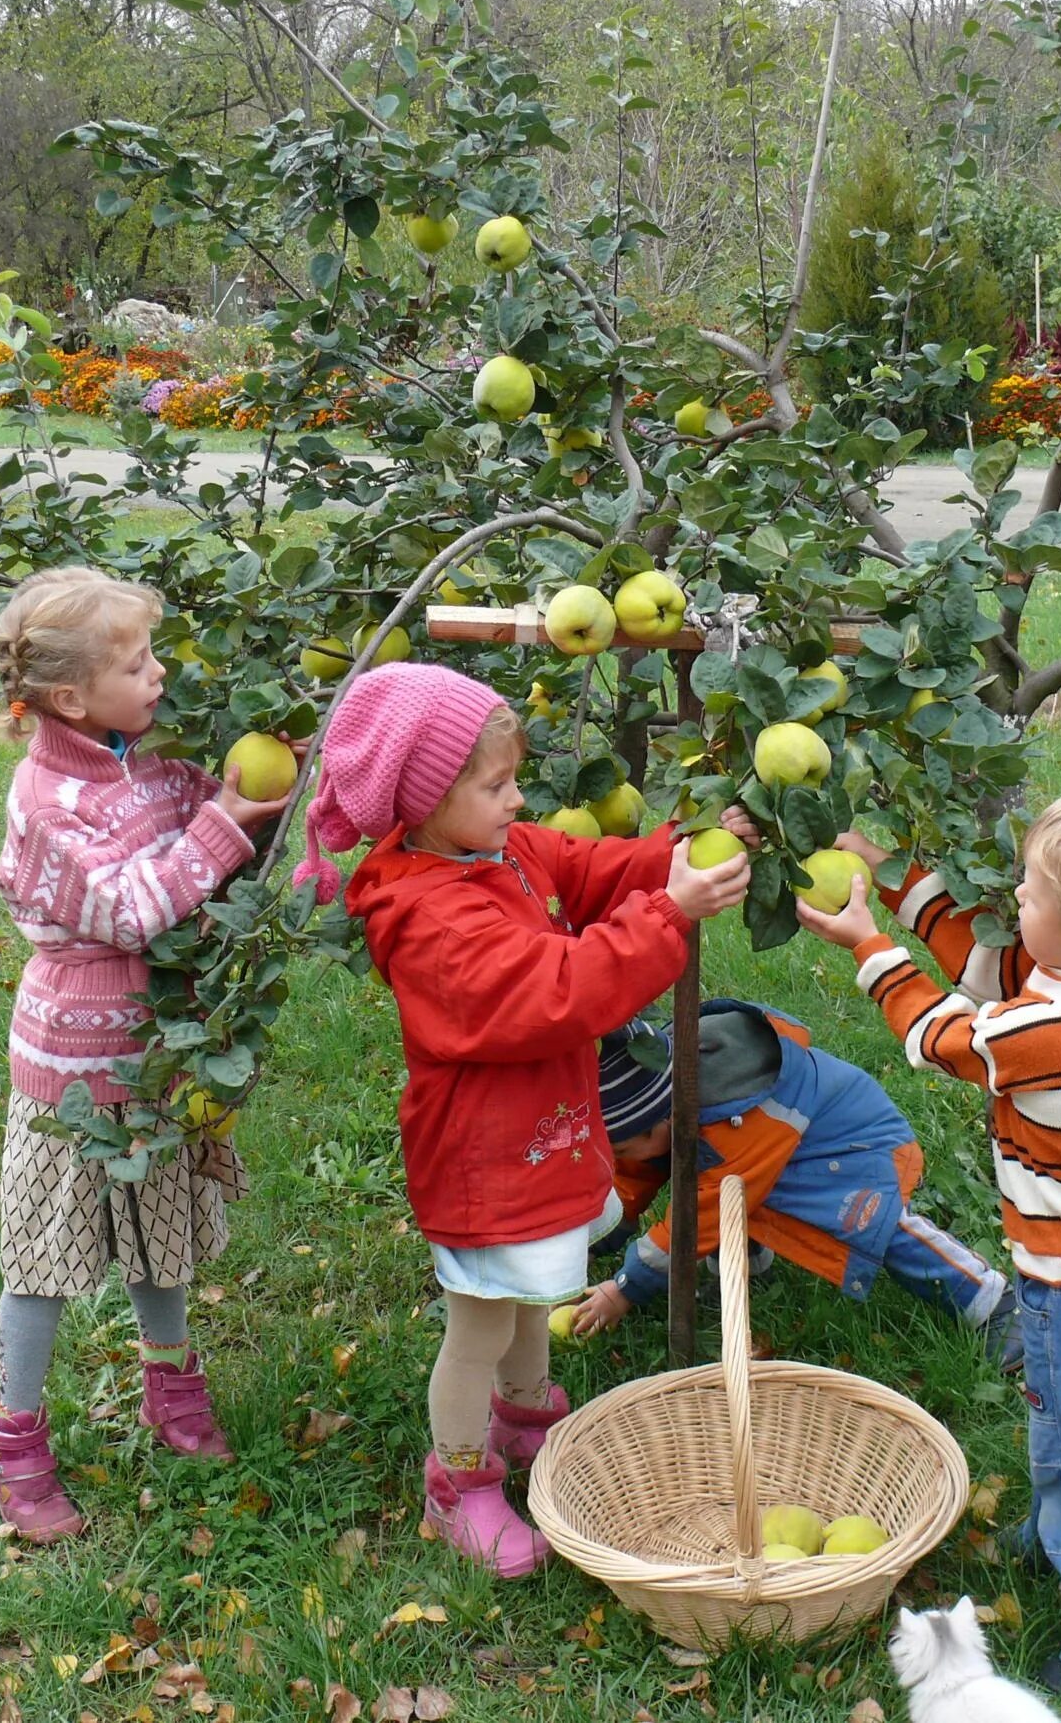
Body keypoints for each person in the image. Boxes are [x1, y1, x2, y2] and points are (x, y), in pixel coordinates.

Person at [291, 662, 750, 1578]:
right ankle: (457, 1477)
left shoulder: (496, 852)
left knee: (530, 1293)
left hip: (539, 1139)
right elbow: (555, 990)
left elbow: (585, 868)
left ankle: (526, 1414)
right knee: (481, 1324)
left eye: (514, 780)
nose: (519, 800)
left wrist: (671, 851)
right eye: (496, 785)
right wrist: (669, 916)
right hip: (482, 1159)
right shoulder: (429, 915)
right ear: (423, 801)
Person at [798, 787, 1061, 1701]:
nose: (1009, 900)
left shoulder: (1052, 1029)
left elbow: (940, 1033)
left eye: (1026, 891)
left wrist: (870, 947)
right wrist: (892, 872)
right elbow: (989, 965)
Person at [0, 566, 294, 1544]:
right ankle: (14, 1432)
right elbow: (130, 909)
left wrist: (258, 797)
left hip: (158, 1059)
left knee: (161, 1232)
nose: (160, 674)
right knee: (42, 1258)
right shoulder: (48, 798)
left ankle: (172, 1381)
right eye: (138, 661)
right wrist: (219, 826)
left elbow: (224, 827)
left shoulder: (145, 760)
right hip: (73, 1072)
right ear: (72, 697)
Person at [569, 1001, 1019, 1369]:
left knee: (877, 1226)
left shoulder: (738, 1122)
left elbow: (699, 1216)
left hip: (857, 1152)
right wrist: (606, 1231)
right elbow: (639, 1172)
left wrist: (625, 1287)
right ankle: (744, 1274)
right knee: (734, 1188)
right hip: (788, 1153)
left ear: (659, 1121)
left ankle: (989, 1300)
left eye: (622, 1148)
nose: (619, 1159)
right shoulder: (667, 1109)